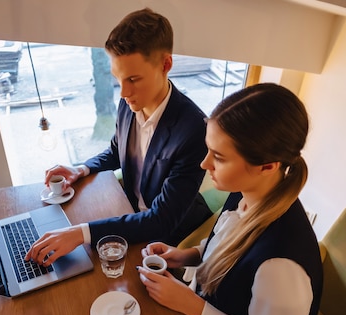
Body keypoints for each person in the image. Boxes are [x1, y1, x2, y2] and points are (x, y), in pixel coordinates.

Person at [132, 83, 343, 315]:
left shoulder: (280, 268)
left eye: (218, 157)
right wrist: (185, 255)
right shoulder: (247, 192)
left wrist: (193, 306)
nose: (204, 164)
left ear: (267, 165)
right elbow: (230, 246)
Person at [25, 8, 212, 267]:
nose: (123, 91)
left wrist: (81, 234)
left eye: (134, 79)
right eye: (119, 78)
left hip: (167, 233)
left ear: (166, 64)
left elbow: (160, 220)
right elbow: (117, 150)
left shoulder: (193, 130)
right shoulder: (130, 101)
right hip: (128, 209)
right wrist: (81, 168)